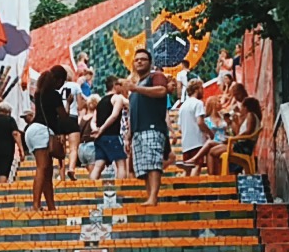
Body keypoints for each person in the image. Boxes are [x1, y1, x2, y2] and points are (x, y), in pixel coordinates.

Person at [127, 48, 170, 206]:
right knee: (144, 167)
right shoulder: (137, 84)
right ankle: (149, 197)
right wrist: (129, 134)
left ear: (150, 63)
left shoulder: (155, 76)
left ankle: (153, 197)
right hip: (138, 131)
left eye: (143, 59)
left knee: (153, 164)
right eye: (137, 59)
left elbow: (162, 90)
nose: (139, 61)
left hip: (152, 128)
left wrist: (137, 89)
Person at [26, 66, 71, 211]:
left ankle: (51, 206)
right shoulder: (54, 95)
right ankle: (36, 205)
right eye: (62, 82)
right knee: (42, 168)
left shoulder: (39, 93)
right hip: (41, 131)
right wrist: (68, 102)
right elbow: (63, 116)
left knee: (47, 172)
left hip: (32, 131)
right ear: (58, 80)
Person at [87, 76, 128, 181]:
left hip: (100, 138)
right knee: (121, 164)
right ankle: (121, 188)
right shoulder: (117, 98)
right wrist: (102, 129)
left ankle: (92, 187)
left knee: (98, 165)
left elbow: (93, 120)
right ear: (115, 85)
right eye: (120, 85)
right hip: (112, 135)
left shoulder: (100, 101)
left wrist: (96, 129)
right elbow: (114, 115)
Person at [176, 78, 210, 171]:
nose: (203, 91)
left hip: (186, 143)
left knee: (187, 169)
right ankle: (195, 184)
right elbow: (200, 122)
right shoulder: (198, 103)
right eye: (201, 88)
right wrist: (209, 133)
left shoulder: (182, 106)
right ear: (196, 89)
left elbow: (179, 128)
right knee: (197, 166)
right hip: (197, 141)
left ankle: (183, 185)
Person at [227, 96, 263, 169]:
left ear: (246, 108)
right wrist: (236, 122)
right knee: (213, 147)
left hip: (243, 146)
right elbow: (238, 133)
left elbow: (248, 131)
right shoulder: (247, 117)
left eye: (242, 107)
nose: (240, 109)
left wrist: (235, 138)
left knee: (213, 150)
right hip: (241, 144)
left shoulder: (251, 115)